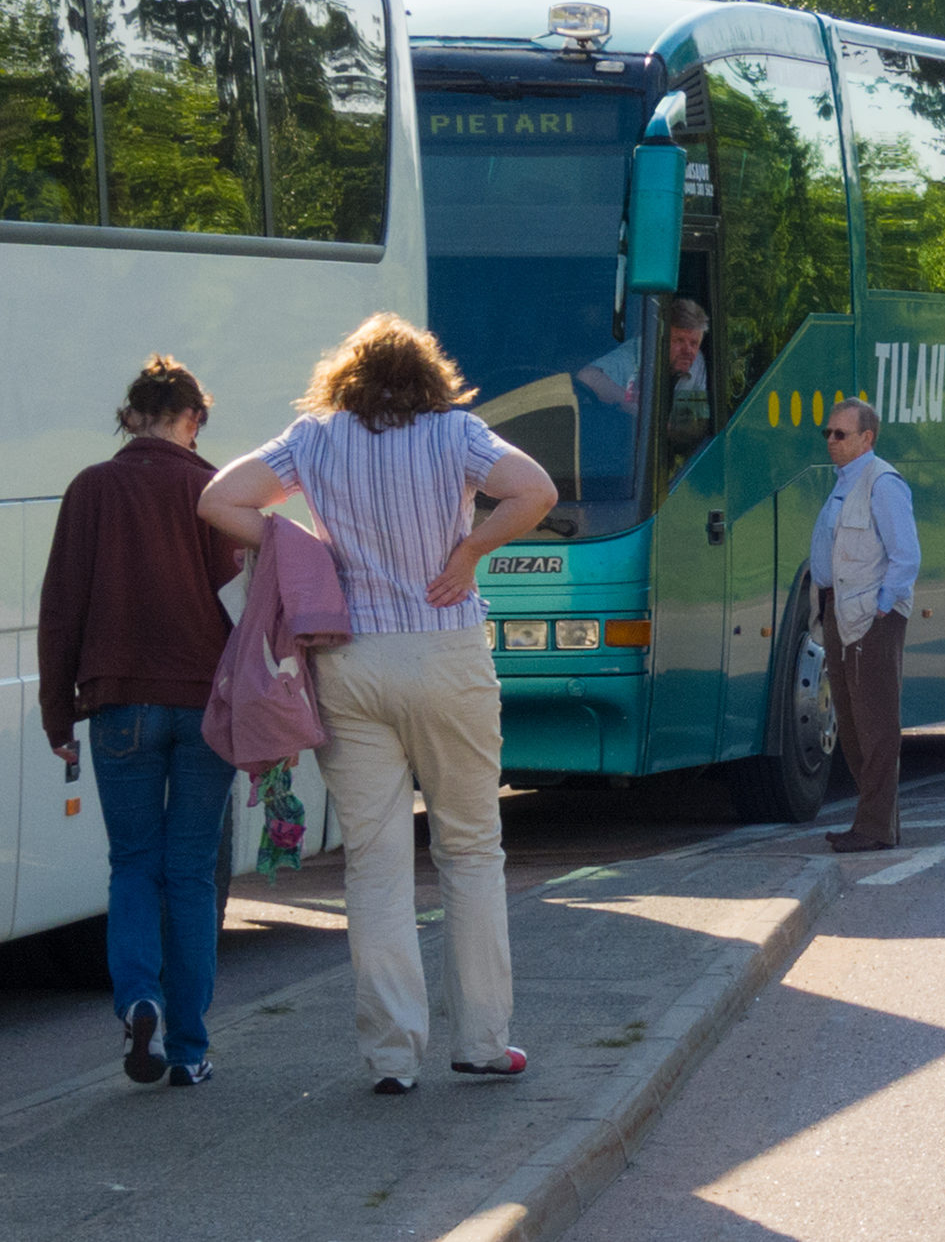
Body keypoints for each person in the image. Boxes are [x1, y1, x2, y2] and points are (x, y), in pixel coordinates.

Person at [198, 314, 557, 1096]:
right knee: (469, 849)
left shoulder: (315, 439)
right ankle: (486, 1044)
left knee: (376, 863)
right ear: (430, 377)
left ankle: (392, 1056)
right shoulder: (457, 435)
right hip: (445, 652)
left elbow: (220, 499)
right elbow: (536, 490)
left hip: (350, 661)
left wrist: (296, 547)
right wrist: (469, 551)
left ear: (346, 379)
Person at [38, 356, 242, 1088]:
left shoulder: (91, 488)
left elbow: (62, 605)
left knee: (132, 866)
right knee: (190, 873)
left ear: (129, 417)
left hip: (118, 703)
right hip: (203, 707)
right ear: (194, 420)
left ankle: (139, 1002)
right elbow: (244, 612)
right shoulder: (214, 490)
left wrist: (57, 711)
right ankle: (189, 1050)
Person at [808, 399, 919, 853]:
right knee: (852, 725)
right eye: (828, 433)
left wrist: (881, 606)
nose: (831, 441)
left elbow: (906, 555)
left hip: (870, 618)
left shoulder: (882, 483)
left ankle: (873, 828)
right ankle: (877, 824)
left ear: (866, 439)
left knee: (875, 725)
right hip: (839, 611)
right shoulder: (844, 484)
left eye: (840, 434)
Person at [576, 296, 709, 417]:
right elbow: (587, 376)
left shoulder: (697, 361)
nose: (688, 351)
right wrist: (631, 404)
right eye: (679, 340)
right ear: (660, 337)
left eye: (694, 343)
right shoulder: (636, 354)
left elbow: (696, 418)